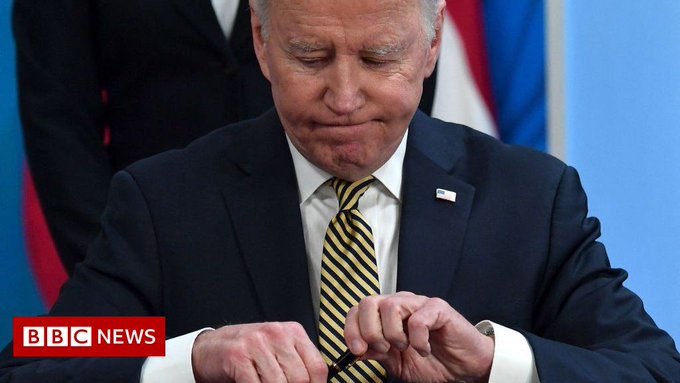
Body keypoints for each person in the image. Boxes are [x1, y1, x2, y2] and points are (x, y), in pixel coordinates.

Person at [2, 0, 679, 382]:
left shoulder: (531, 200)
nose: (345, 97)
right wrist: (189, 357)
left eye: (380, 57)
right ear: (263, 44)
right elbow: (39, 353)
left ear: (433, 43)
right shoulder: (162, 200)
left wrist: (495, 362)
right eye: (311, 57)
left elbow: (653, 368)